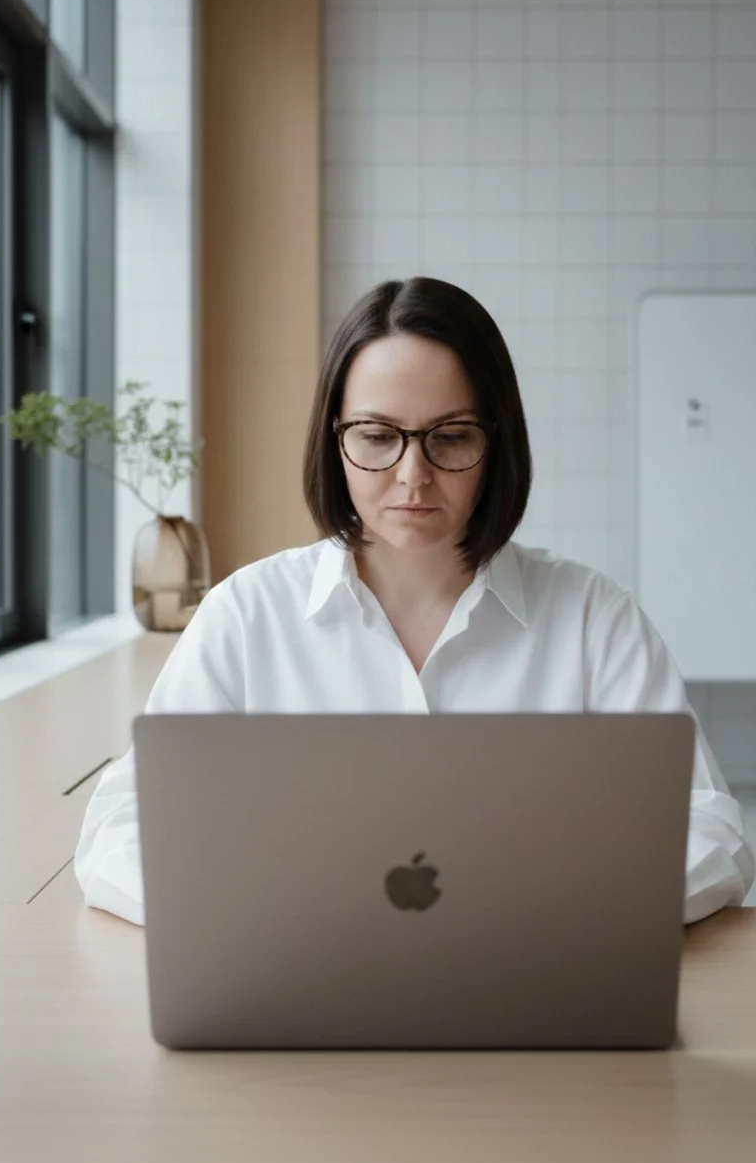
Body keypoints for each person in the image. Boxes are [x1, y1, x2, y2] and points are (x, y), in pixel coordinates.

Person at [74, 276, 755, 927]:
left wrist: (581, 909)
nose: (412, 476)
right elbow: (119, 826)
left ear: (496, 445)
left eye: (450, 437)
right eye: (376, 437)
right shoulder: (247, 616)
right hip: (302, 984)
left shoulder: (593, 620)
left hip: (531, 988)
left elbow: (711, 828)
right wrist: (244, 909)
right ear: (334, 442)